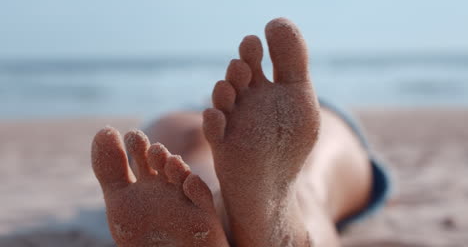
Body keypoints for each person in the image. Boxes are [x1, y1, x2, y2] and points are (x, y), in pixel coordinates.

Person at [91, 18, 389, 247]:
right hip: (318, 111)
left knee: (185, 152)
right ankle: (279, 221)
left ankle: (214, 209)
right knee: (308, 179)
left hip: (195, 117)